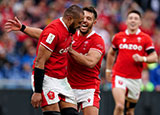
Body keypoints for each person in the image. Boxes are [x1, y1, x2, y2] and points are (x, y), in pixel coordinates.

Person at [5, 6, 105, 115]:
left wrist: (24, 28)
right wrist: (38, 92)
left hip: (67, 81)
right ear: (70, 19)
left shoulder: (75, 31)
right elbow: (41, 54)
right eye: (80, 20)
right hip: (49, 78)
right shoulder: (58, 31)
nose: (81, 24)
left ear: (94, 22)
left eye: (88, 19)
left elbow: (90, 62)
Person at [105, 10, 158, 115]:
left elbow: (155, 57)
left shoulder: (145, 38)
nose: (133, 20)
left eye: (136, 18)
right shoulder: (118, 37)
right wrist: (108, 69)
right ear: (127, 21)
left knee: (130, 111)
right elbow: (111, 53)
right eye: (130, 18)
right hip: (119, 75)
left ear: (140, 22)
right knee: (120, 106)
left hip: (135, 79)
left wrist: (143, 59)